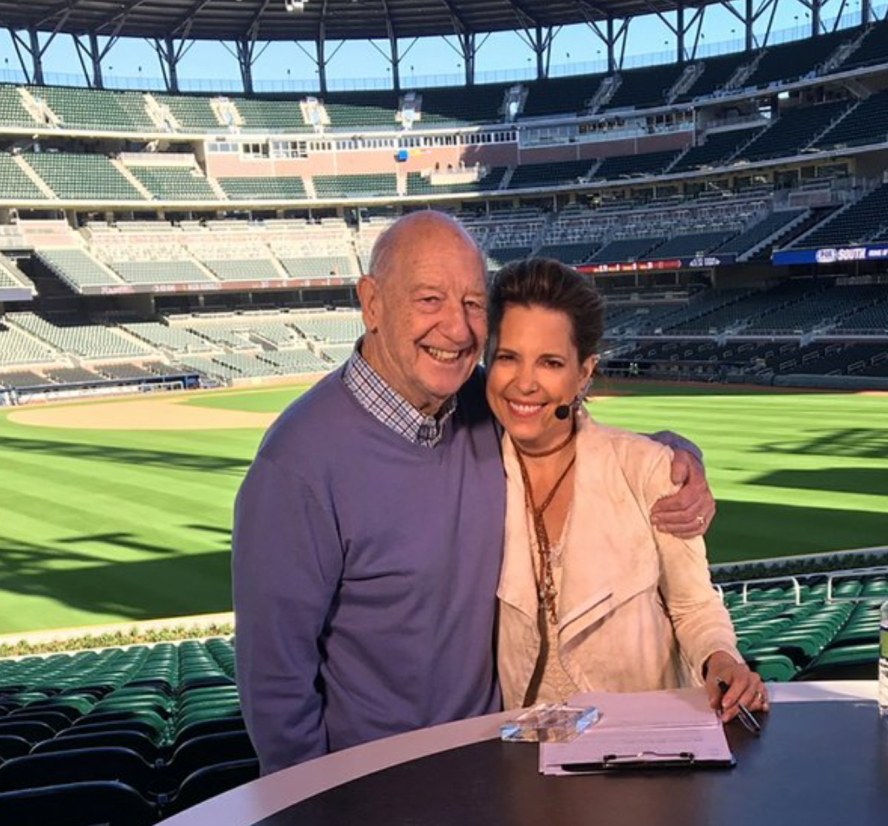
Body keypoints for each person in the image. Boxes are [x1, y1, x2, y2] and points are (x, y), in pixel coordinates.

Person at [233, 212, 717, 775]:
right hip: (381, 790)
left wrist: (676, 455)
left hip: (496, 766)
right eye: (430, 299)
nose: (457, 330)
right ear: (372, 303)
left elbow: (570, 425)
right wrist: (317, 804)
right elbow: (275, 683)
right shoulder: (295, 466)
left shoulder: (480, 407)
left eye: (471, 303)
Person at [486, 258, 767, 719]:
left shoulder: (648, 468)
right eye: (508, 357)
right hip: (526, 757)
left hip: (641, 751)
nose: (524, 383)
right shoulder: (471, 470)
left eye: (550, 362)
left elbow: (693, 605)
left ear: (583, 373)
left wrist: (721, 659)